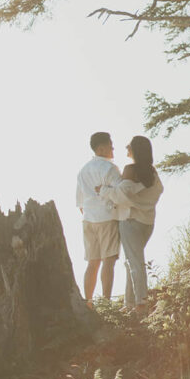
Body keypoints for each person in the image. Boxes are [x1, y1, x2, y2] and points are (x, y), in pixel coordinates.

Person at [100, 135, 163, 313]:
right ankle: (130, 303)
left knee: (134, 262)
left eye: (129, 146)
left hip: (130, 222)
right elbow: (151, 194)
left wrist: (104, 190)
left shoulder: (130, 169)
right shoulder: (152, 173)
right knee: (132, 262)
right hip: (147, 223)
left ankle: (141, 302)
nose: (126, 148)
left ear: (135, 150)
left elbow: (121, 195)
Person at [76, 131, 122, 307]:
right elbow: (121, 193)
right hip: (107, 217)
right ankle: (106, 303)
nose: (113, 148)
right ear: (102, 149)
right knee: (108, 262)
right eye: (111, 145)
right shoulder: (110, 168)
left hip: (88, 219)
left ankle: (88, 303)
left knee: (92, 263)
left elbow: (79, 202)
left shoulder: (82, 171)